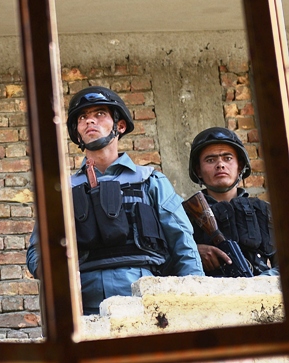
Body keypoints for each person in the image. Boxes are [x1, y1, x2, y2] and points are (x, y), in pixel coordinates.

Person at [27, 86, 203, 314]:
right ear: (77, 132)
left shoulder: (150, 180)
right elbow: (37, 252)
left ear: (119, 126)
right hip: (83, 305)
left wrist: (195, 303)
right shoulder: (62, 192)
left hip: (146, 302)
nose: (90, 121)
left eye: (99, 114)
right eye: (82, 117)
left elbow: (183, 244)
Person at [187, 127, 277, 276]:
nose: (220, 165)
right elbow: (167, 261)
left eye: (227, 158)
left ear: (240, 166)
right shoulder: (183, 215)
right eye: (210, 160)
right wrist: (193, 252)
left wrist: (259, 282)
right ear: (198, 170)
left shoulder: (265, 211)